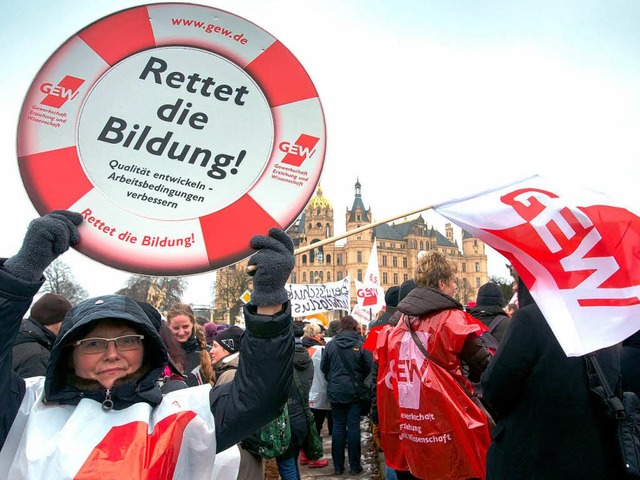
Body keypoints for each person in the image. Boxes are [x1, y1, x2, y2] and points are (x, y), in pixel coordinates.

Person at [0, 210, 296, 479]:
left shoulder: (179, 414)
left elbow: (261, 394)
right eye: (93, 344)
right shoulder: (25, 407)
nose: (112, 354)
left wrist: (268, 301)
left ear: (147, 349)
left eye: (127, 341)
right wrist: (19, 274)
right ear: (68, 353)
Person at [480, 278, 625, 479]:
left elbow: (493, 390)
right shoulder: (604, 321)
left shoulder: (530, 320)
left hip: (534, 458)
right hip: (593, 459)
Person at [374, 251, 491, 480]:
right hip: (449, 427)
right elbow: (488, 368)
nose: (456, 287)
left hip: (414, 431)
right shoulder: (453, 319)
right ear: (442, 283)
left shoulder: (397, 324)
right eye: (454, 281)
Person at [321, 315, 373, 476]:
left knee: (337, 427)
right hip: (355, 393)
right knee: (353, 428)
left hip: (336, 392)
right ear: (354, 327)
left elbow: (324, 367)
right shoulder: (361, 345)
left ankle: (338, 467)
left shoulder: (330, 345)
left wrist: (333, 381)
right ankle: (355, 466)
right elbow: (369, 369)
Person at [209, 325, 263, 480]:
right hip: (250, 448)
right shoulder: (245, 369)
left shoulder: (230, 375)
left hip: (238, 453)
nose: (211, 351)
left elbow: (219, 419)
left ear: (228, 348)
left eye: (215, 346)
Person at [275, 324, 314, 480]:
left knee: (286, 465)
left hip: (286, 420)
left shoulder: (283, 363)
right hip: (301, 417)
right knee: (292, 462)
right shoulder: (306, 358)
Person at [12, 292, 71, 378]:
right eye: (67, 322)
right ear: (58, 323)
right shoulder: (38, 356)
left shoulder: (16, 337)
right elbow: (36, 391)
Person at [299, 323, 330, 469]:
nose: (322, 335)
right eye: (320, 333)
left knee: (305, 424)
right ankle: (313, 456)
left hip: (302, 393)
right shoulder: (320, 349)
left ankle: (304, 454)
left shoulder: (299, 349)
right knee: (315, 427)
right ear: (315, 334)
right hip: (318, 392)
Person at [166, 302, 213, 386]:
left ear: (193, 324)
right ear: (168, 326)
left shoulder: (209, 353)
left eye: (185, 327)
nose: (181, 332)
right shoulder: (162, 354)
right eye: (176, 328)